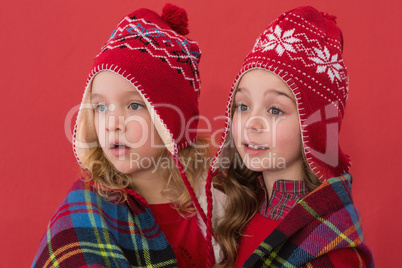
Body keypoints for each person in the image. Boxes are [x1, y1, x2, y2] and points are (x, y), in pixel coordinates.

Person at [32, 4, 222, 267]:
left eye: (134, 105)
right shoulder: (85, 211)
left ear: (174, 122)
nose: (112, 123)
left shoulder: (223, 199)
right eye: (100, 107)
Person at [211, 6, 375, 267]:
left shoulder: (332, 251)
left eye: (275, 110)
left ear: (316, 127)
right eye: (242, 106)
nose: (252, 124)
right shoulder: (236, 210)